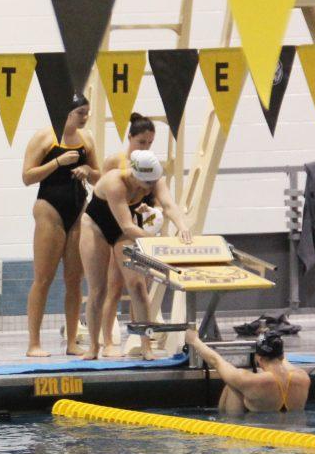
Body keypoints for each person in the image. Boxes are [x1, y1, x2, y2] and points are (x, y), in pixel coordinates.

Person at [80, 150, 192, 361]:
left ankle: (146, 347)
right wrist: (158, 242)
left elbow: (169, 205)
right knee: (98, 289)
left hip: (124, 230)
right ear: (134, 174)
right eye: (146, 183)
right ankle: (94, 346)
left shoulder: (155, 179)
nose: (150, 188)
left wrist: (182, 226)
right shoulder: (115, 183)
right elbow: (128, 226)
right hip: (96, 226)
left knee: (138, 287)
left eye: (152, 182)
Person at [22, 94, 101, 357]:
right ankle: (34, 343)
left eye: (86, 112)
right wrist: (57, 162)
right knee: (43, 279)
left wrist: (88, 172)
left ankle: (71, 342)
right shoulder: (45, 138)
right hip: (49, 210)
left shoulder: (86, 139)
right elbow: (27, 177)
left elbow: (99, 176)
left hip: (78, 210)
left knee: (74, 280)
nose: (84, 117)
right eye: (80, 112)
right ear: (67, 113)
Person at [100, 113, 159, 357]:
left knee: (138, 286)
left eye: (150, 143)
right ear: (130, 138)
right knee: (112, 287)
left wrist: (155, 217)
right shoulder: (115, 162)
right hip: (113, 225)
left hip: (137, 227)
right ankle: (107, 343)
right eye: (141, 142)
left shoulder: (150, 165)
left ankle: (144, 343)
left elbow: (157, 198)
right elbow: (101, 190)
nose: (145, 147)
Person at [186, 330, 309, 414]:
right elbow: (281, 360)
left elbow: (216, 361)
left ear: (258, 358)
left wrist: (194, 341)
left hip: (255, 441)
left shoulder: (249, 380)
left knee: (232, 386)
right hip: (292, 439)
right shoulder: (303, 378)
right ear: (282, 356)